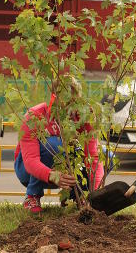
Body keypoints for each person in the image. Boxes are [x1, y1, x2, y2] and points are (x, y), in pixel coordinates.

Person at [14, 78, 104, 213]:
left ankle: (74, 197)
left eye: (74, 102)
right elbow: (30, 161)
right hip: (27, 170)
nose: (71, 109)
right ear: (55, 98)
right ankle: (32, 196)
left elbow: (93, 157)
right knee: (55, 144)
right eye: (66, 102)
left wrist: (94, 193)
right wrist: (53, 176)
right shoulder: (35, 116)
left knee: (83, 149)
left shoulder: (84, 116)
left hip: (64, 173)